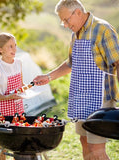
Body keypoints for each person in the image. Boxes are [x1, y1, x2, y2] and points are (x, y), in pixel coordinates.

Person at [33, 0, 119, 160]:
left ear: (78, 12)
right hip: (81, 97)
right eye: (62, 21)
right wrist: (48, 76)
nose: (65, 25)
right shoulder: (76, 33)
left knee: (96, 149)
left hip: (100, 99)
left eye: (66, 20)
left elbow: (118, 63)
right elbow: (71, 63)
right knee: (84, 141)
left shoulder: (102, 29)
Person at [0, 32, 24, 160]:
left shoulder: (19, 63)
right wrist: (8, 97)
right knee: (3, 145)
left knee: (19, 141)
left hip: (18, 108)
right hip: (2, 111)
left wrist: (29, 89)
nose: (14, 49)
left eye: (15, 45)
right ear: (0, 49)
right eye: (10, 46)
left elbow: (21, 84)